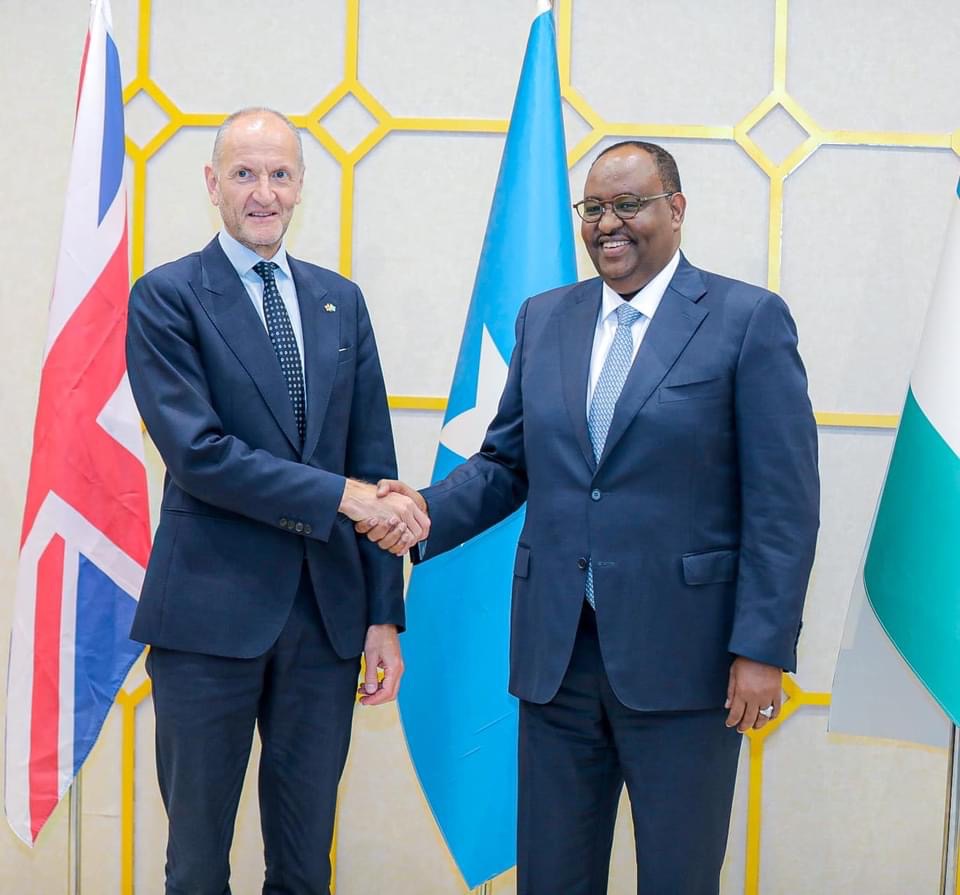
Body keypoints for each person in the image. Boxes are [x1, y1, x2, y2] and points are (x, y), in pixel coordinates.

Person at [359, 141, 819, 894]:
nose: (609, 223)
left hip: (688, 665)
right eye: (595, 207)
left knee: (676, 875)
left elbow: (784, 505)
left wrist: (761, 647)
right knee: (553, 878)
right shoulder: (547, 318)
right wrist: (419, 515)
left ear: (677, 208)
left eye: (629, 204)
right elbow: (507, 464)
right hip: (557, 659)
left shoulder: (747, 321)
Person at [125, 107, 428, 895]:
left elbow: (372, 459)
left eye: (280, 173)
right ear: (212, 183)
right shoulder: (167, 299)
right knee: (196, 863)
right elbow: (201, 455)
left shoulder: (340, 302)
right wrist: (345, 497)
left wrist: (382, 614)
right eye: (245, 173)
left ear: (300, 186)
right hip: (205, 619)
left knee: (304, 862)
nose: (264, 192)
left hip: (324, 621)